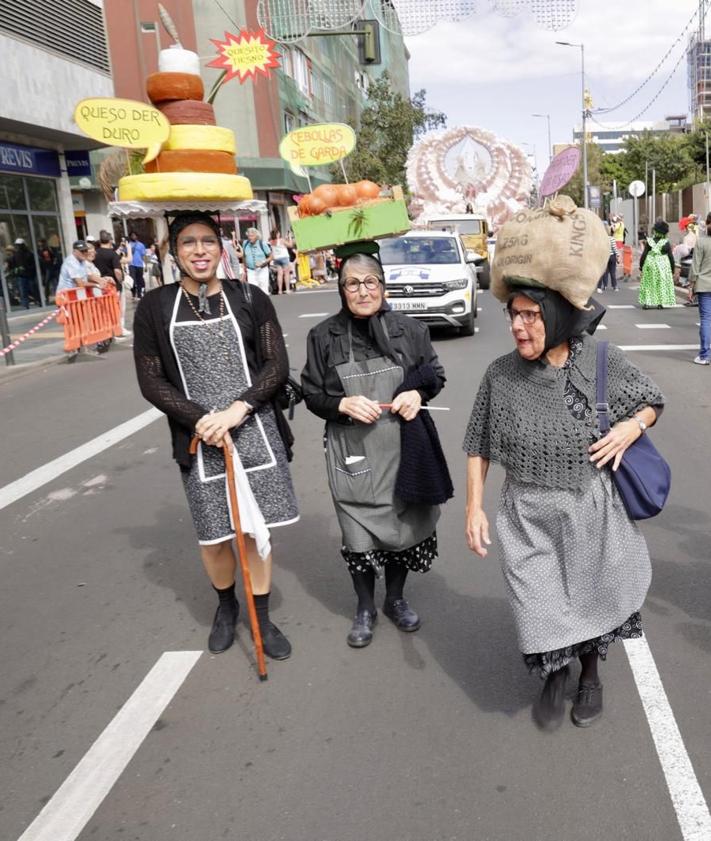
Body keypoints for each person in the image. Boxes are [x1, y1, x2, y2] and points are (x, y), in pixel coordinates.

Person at [464, 203, 665, 732]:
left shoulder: (598, 359)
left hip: (590, 507)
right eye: (514, 314)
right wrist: (474, 508)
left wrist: (631, 426)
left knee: (591, 594)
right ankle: (555, 672)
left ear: (555, 314)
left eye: (531, 315)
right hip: (526, 512)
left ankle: (590, 675)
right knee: (538, 598)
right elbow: (477, 443)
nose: (519, 326)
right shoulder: (499, 376)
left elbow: (651, 400)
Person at [132, 211, 298, 659]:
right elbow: (151, 381)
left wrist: (237, 410)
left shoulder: (251, 297)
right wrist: (202, 419)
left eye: (208, 241)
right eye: (188, 242)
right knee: (214, 535)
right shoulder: (154, 307)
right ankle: (226, 607)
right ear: (174, 251)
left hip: (255, 428)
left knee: (255, 529)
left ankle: (261, 618)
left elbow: (275, 365)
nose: (200, 250)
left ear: (222, 248)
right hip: (198, 437)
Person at [301, 242, 453, 648]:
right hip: (352, 454)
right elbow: (311, 394)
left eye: (370, 282)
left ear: (384, 286)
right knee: (358, 536)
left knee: (404, 531)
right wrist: (341, 403)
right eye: (352, 284)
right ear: (341, 288)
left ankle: (396, 599)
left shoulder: (411, 330)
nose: (363, 291)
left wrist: (418, 394)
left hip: (404, 449)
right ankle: (365, 607)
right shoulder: (324, 337)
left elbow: (434, 376)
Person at [687, 211, 711, 365]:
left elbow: (695, 266)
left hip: (704, 284)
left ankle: (704, 355)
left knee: (706, 320)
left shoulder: (702, 242)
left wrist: (691, 285)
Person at [639, 220, 676, 309]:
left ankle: (647, 303)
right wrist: (672, 269)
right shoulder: (666, 243)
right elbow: (671, 257)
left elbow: (644, 254)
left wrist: (641, 265)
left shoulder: (650, 241)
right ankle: (660, 303)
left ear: (655, 231)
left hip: (650, 263)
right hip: (662, 264)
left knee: (648, 282)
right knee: (660, 283)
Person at [9, 238, 38, 309]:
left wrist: (29, 269)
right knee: (23, 291)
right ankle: (25, 305)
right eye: (17, 245)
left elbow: (34, 264)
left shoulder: (29, 254)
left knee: (33, 289)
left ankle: (38, 301)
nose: (19, 247)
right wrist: (16, 270)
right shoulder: (16, 255)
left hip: (30, 275)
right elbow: (12, 264)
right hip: (22, 275)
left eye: (20, 245)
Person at [242, 228, 272, 294]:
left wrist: (262, 262)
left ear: (256, 236)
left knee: (264, 290)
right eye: (249, 236)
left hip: (262, 270)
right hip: (250, 271)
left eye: (252, 236)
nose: (250, 238)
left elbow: (271, 257)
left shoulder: (262, 244)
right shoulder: (245, 243)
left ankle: (264, 303)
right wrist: (244, 268)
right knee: (253, 290)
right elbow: (244, 256)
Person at [269, 228, 292, 294]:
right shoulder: (281, 240)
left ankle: (280, 290)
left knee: (280, 274)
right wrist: (289, 238)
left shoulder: (271, 241)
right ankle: (287, 289)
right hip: (284, 257)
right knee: (286, 274)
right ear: (277, 234)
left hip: (276, 258)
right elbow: (290, 245)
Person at [128, 231, 146, 300]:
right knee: (132, 280)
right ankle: (133, 293)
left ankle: (139, 294)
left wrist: (145, 265)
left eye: (135, 235)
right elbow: (124, 254)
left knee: (139, 279)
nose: (133, 237)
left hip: (139, 264)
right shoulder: (128, 245)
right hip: (131, 264)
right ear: (130, 236)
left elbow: (143, 255)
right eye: (132, 235)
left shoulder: (141, 245)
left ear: (137, 236)